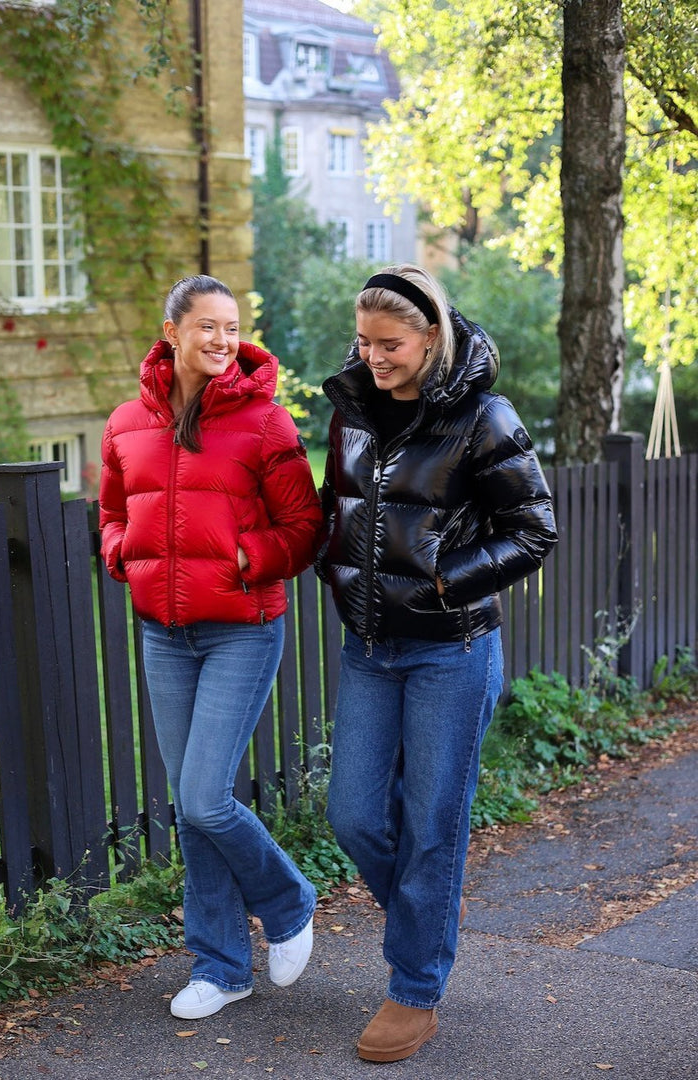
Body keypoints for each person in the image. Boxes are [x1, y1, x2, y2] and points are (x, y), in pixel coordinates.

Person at [315, 264, 557, 1063]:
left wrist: (446, 579)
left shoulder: (484, 417)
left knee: (431, 828)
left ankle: (413, 989)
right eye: (364, 341)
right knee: (352, 813)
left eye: (391, 344)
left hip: (451, 651)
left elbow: (534, 528)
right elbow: (340, 507)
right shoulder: (352, 412)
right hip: (371, 648)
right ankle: (428, 924)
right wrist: (336, 563)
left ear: (431, 339)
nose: (374, 357)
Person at [99, 274, 323, 1020]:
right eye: (207, 326)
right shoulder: (127, 422)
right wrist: (122, 553)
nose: (223, 339)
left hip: (241, 629)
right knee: (192, 808)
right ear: (172, 332)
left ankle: (289, 904)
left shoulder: (267, 424)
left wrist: (243, 561)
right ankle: (221, 966)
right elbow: (109, 509)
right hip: (164, 633)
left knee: (203, 796)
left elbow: (303, 529)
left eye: (232, 326)